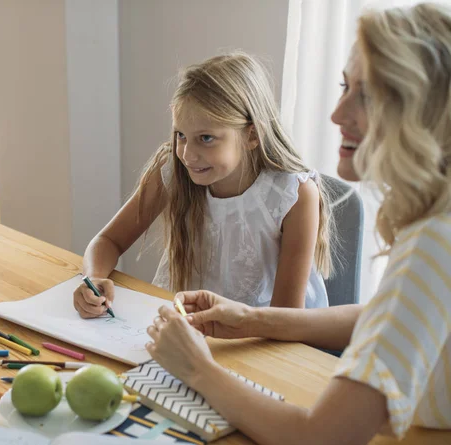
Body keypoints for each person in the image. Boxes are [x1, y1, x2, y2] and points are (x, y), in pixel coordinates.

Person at [145, 3, 451, 444]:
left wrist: (198, 369)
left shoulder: (433, 244)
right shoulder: (436, 224)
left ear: (422, 111)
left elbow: (320, 437)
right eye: (345, 86)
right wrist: (253, 318)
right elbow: (387, 314)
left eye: (366, 95)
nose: (337, 113)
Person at [73, 52, 334, 318]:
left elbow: (284, 320)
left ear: (252, 135)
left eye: (206, 138)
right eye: (181, 136)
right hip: (191, 327)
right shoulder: (174, 171)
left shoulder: (293, 195)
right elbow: (108, 240)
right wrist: (91, 280)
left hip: (265, 339)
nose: (187, 154)